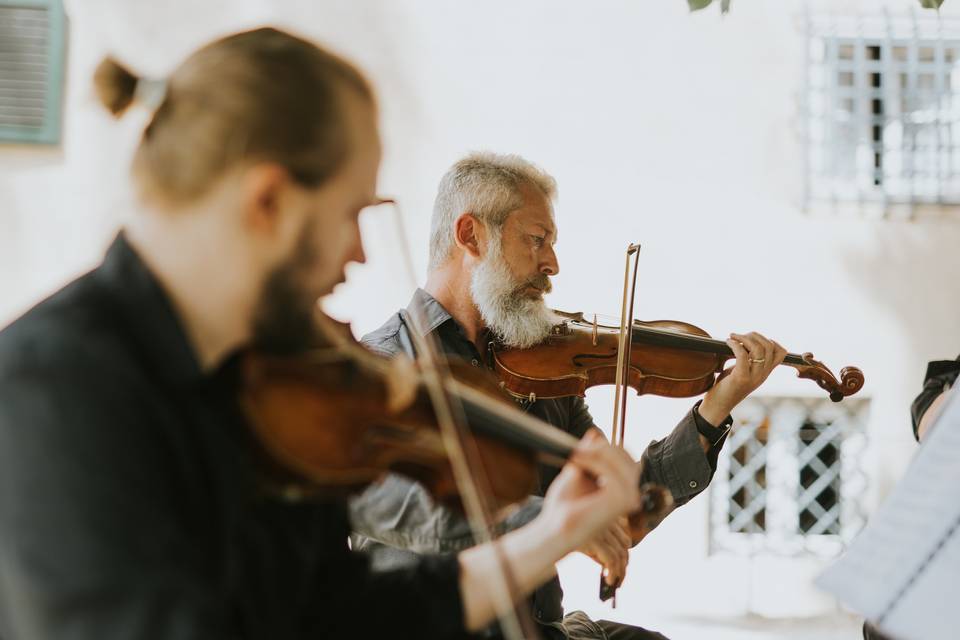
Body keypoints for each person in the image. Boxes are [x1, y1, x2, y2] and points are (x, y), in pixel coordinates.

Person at [0, 28, 645, 640]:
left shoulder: (274, 389)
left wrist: (548, 533)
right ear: (269, 201)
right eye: (349, 213)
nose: (358, 255)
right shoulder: (54, 390)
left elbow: (335, 611)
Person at [349, 152, 788, 640]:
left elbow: (622, 511)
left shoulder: (539, 368)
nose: (552, 264)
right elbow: (409, 503)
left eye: (551, 244)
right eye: (536, 240)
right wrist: (552, 520)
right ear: (470, 235)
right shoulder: (386, 365)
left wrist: (714, 409)